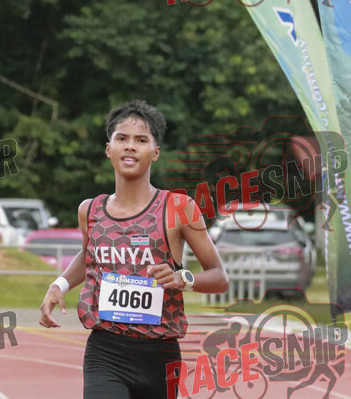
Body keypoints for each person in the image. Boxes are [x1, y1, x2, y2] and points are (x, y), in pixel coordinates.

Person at [39, 100, 229, 398]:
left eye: (141, 140)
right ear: (108, 149)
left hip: (160, 356)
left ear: (155, 152)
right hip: (106, 351)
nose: (130, 146)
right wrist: (58, 285)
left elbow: (219, 277)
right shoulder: (90, 210)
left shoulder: (178, 208)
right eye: (122, 138)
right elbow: (88, 255)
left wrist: (182, 279)